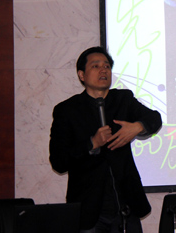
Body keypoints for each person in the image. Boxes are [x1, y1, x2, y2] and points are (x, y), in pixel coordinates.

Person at [49, 46, 162, 233]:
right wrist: (91, 144)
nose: (103, 70)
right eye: (96, 66)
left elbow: (154, 118)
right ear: (81, 75)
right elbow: (58, 161)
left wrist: (137, 127)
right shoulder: (67, 110)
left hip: (126, 207)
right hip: (89, 211)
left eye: (107, 66)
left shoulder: (123, 99)